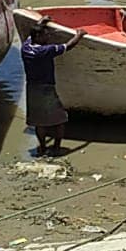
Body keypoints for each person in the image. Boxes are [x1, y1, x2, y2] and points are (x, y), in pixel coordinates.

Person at [21, 16, 85, 157]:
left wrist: (42, 22)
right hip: (46, 89)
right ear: (38, 36)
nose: (48, 37)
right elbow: (67, 46)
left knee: (39, 122)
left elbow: (32, 34)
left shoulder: (26, 47)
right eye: (45, 35)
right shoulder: (44, 51)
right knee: (60, 120)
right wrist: (79, 35)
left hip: (32, 88)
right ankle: (56, 147)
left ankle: (42, 148)